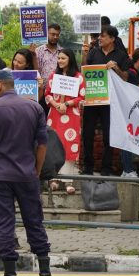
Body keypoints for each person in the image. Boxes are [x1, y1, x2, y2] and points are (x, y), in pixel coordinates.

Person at [0, 69, 55, 276]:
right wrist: (36, 171)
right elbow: (42, 144)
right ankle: (45, 275)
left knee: (4, 223)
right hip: (27, 174)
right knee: (34, 221)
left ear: (0, 85)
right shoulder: (35, 107)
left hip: (0, 175)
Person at [82, 25, 130, 176]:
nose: (99, 39)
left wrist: (116, 68)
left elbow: (126, 78)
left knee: (109, 135)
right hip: (93, 99)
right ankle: (88, 167)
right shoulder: (93, 52)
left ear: (112, 38)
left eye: (103, 36)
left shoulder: (121, 56)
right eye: (99, 36)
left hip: (111, 101)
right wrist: (84, 55)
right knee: (87, 134)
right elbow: (84, 71)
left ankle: (106, 167)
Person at [44, 49, 85, 194]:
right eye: (59, 58)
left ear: (70, 59)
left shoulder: (78, 77)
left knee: (70, 145)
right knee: (53, 145)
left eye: (63, 58)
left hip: (71, 115)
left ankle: (68, 181)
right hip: (54, 115)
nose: (60, 61)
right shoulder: (53, 76)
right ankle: (53, 179)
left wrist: (66, 104)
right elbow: (47, 94)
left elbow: (82, 97)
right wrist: (56, 105)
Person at [119, 47, 139, 178]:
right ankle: (128, 170)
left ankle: (127, 169)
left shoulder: (133, 72)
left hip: (130, 111)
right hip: (130, 112)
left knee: (128, 139)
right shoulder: (132, 73)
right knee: (129, 140)